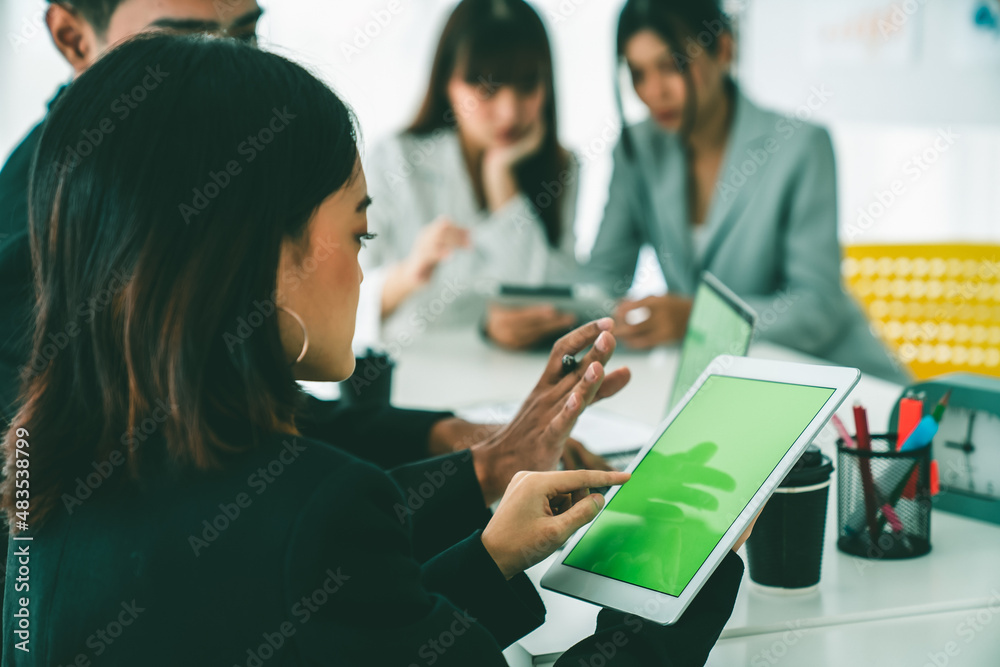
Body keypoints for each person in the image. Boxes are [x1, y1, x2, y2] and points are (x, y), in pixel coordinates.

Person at [2, 34, 749, 665]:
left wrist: (490, 553)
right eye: (359, 232)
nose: (364, 266)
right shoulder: (319, 511)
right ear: (260, 251)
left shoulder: (42, 464)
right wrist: (687, 573)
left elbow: (343, 636)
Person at [584, 0, 910, 383]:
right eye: (638, 73)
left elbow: (817, 309)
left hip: (841, 384)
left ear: (723, 49)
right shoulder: (637, 149)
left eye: (672, 65)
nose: (653, 91)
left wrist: (699, 319)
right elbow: (601, 279)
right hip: (731, 385)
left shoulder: (801, 146)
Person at [358, 0, 581, 351]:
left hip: (517, 377)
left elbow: (557, 295)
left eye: (527, 85)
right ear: (448, 82)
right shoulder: (395, 159)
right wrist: (409, 272)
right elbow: (349, 305)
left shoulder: (561, 165)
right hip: (415, 376)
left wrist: (501, 180)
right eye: (488, 89)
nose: (509, 112)